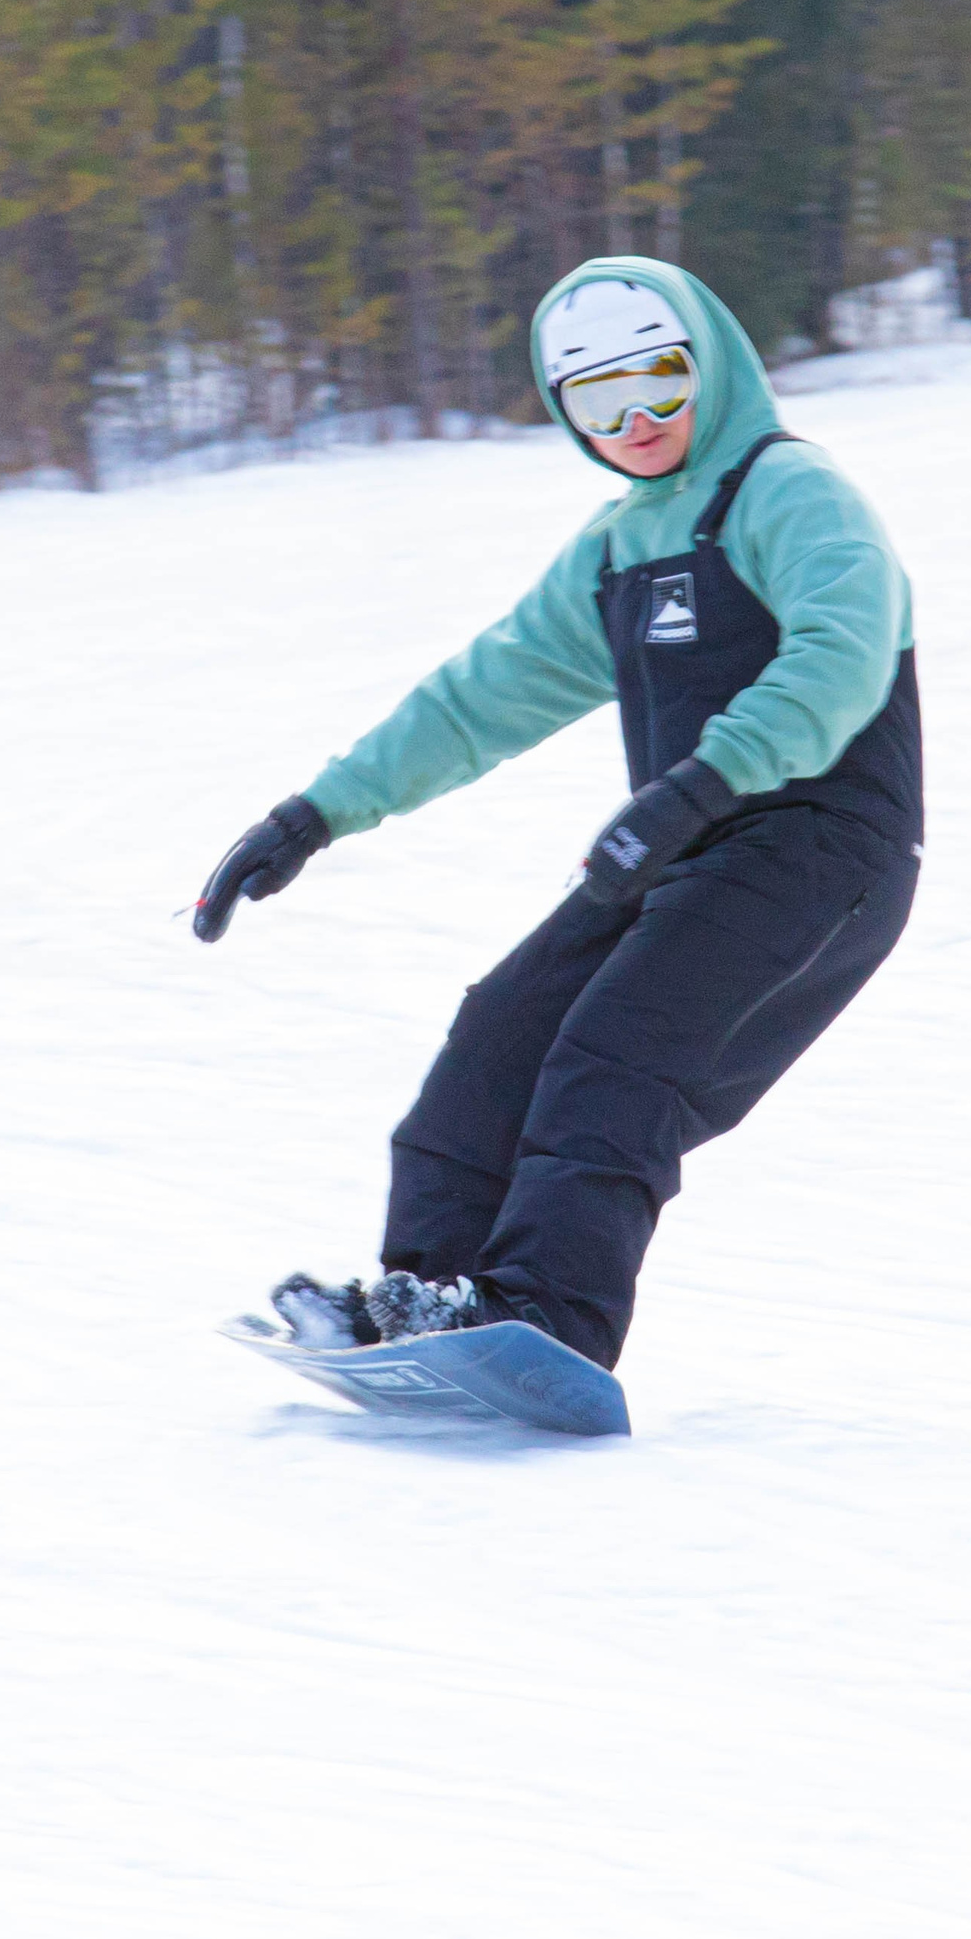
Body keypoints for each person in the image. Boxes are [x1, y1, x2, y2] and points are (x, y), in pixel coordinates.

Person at [194, 256, 922, 1373]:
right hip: (689, 845)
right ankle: (426, 1299)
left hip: (820, 845)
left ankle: (547, 1322)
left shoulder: (790, 492)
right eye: (596, 397)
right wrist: (316, 814)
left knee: (613, 1056)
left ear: (710, 366)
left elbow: (843, 656)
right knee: (500, 1032)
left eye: (661, 383)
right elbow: (481, 695)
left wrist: (701, 781)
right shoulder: (617, 544)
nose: (634, 419)